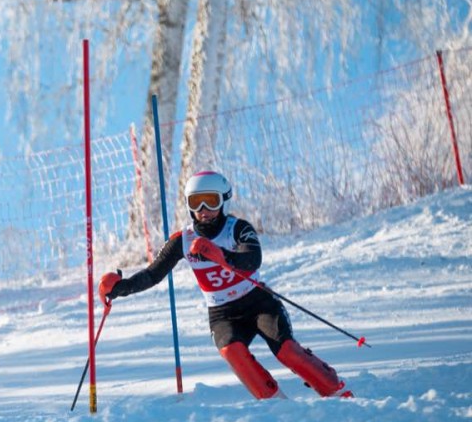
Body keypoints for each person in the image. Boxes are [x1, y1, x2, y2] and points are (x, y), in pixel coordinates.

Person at [101, 170, 351, 399]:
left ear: (224, 201)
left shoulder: (238, 228)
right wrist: (120, 288)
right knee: (233, 354)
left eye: (211, 201)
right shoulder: (182, 240)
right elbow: (152, 274)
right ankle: (276, 405)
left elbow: (253, 260)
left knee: (287, 352)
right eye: (195, 202)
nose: (203, 209)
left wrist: (221, 256)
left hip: (258, 302)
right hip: (222, 313)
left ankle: (335, 388)